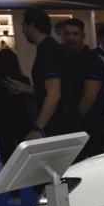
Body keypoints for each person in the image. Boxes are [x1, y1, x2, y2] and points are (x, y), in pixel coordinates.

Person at [0, 47, 33, 205]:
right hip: (23, 121)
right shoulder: (24, 80)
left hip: (2, 122)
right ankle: (38, 189)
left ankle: (15, 195)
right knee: (28, 157)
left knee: (7, 158)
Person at [58, 18, 104, 159]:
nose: (71, 38)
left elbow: (89, 98)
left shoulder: (92, 61)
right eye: (67, 34)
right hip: (74, 123)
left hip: (92, 124)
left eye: (75, 34)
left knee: (94, 165)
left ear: (83, 36)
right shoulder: (64, 58)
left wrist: (71, 124)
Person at [21, 8, 65, 142]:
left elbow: (53, 95)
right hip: (57, 121)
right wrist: (25, 88)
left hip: (58, 123)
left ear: (32, 26)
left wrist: (37, 129)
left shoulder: (48, 51)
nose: (22, 30)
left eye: (23, 26)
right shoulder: (47, 48)